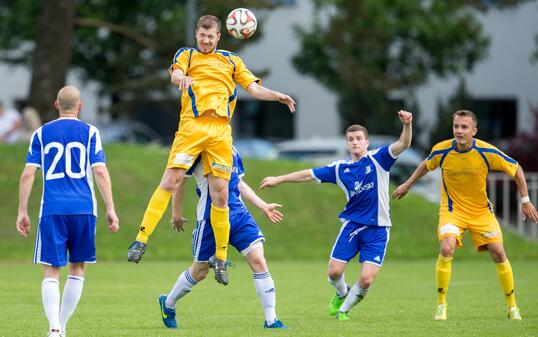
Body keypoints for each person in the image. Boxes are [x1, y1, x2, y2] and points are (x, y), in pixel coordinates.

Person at [127, 15, 295, 286]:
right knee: (170, 181)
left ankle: (220, 258)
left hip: (220, 134)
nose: (206, 40)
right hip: (192, 128)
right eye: (202, 35)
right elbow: (175, 73)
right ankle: (141, 239)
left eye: (211, 36)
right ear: (196, 34)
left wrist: (277, 95)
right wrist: (181, 78)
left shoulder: (232, 60)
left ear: (219, 37)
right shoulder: (187, 54)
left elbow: (252, 87)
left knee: (220, 195)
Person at [260, 110, 413, 320]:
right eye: (351, 139)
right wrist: (278, 179)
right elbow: (307, 175)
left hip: (378, 229)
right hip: (352, 225)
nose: (355, 142)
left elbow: (403, 144)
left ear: (367, 142)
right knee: (333, 272)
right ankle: (342, 293)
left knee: (367, 280)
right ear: (347, 143)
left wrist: (407, 124)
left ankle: (344, 311)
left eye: (359, 138)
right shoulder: (340, 169)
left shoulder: (379, 159)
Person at [392, 109, 538, 321]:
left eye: (464, 127)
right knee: (446, 246)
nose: (459, 131)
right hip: (452, 211)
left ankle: (512, 307)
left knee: (498, 251)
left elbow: (516, 169)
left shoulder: (486, 151)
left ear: (474, 131)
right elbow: (426, 164)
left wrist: (525, 201)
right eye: (456, 126)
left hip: (481, 212)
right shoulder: (442, 150)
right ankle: (441, 305)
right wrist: (408, 184)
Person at [16, 86, 120, 337]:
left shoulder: (41, 133)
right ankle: (61, 327)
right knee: (78, 267)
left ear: (56, 104)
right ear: (81, 106)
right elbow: (100, 171)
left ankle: (54, 328)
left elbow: (29, 172)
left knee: (51, 269)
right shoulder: (90, 132)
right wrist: (111, 208)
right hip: (84, 208)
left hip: (52, 209)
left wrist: (22, 210)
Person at [158, 146, 286, 329]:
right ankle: (168, 304)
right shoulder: (199, 147)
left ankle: (272, 320)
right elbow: (179, 180)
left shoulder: (232, 148)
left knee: (258, 260)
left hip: (239, 215)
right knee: (200, 271)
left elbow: (239, 183)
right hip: (210, 218)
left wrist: (263, 205)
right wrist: (176, 213)